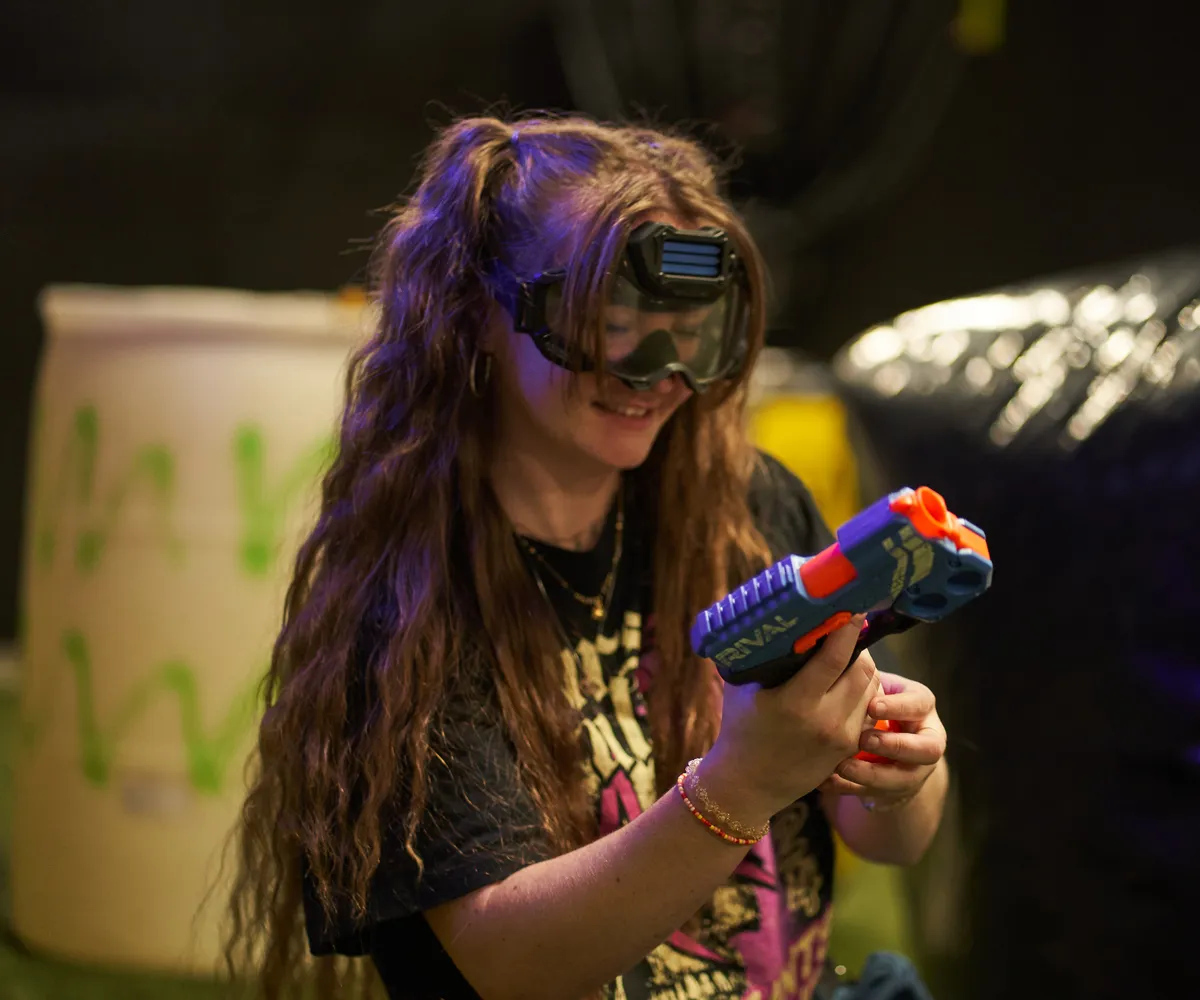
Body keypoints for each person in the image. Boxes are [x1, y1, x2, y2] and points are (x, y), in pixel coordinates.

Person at [226, 113, 951, 1000]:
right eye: (609, 324)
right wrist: (744, 782)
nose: (653, 373)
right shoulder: (410, 595)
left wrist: (900, 770)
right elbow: (511, 964)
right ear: (481, 312)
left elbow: (889, 837)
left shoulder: (750, 507)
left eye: (691, 333)